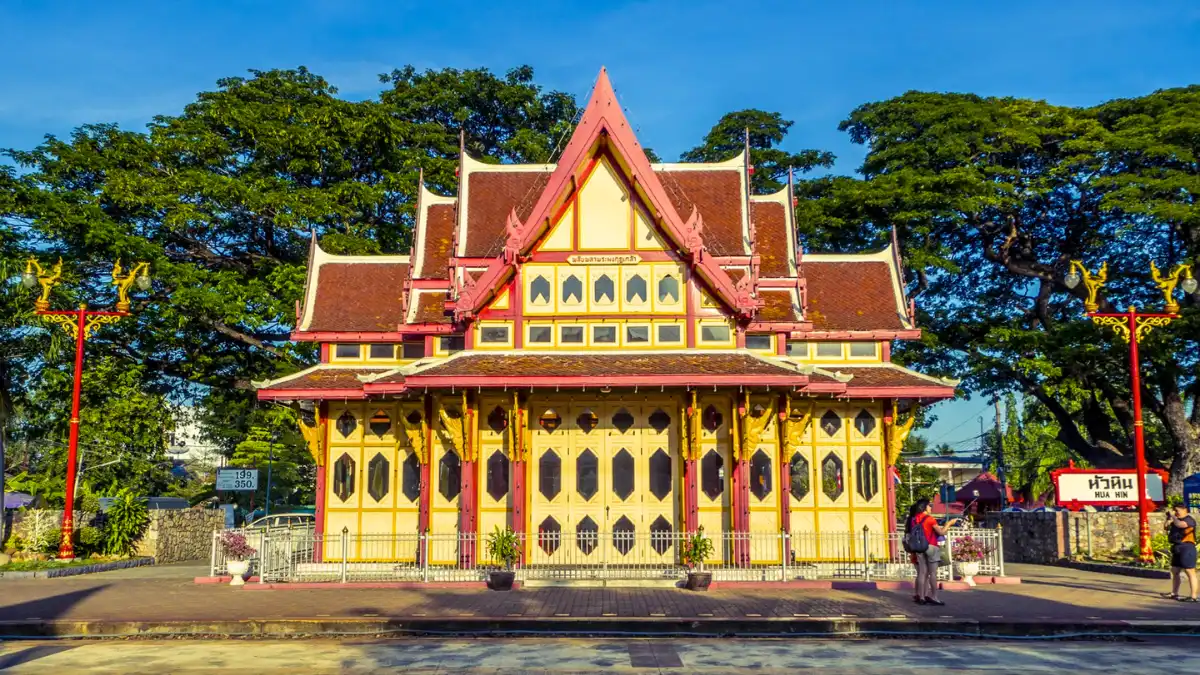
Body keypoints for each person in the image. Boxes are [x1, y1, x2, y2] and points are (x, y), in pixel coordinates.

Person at [905, 499, 959, 606]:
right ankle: (934, 596)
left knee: (922, 572)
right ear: (924, 507)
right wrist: (949, 523)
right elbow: (941, 532)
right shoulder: (930, 519)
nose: (931, 508)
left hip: (919, 547)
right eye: (929, 506)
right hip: (931, 547)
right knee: (933, 573)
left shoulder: (914, 519)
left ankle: (921, 597)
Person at [1163, 503, 1197, 602]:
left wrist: (1173, 517)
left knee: (1189, 571)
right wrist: (1168, 519)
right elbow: (1166, 527)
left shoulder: (1189, 520)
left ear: (1184, 510)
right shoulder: (1175, 520)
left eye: (1177, 510)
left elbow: (1180, 525)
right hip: (1177, 547)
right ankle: (1174, 593)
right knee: (1175, 570)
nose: (1176, 512)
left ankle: (1193, 596)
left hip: (1187, 547)